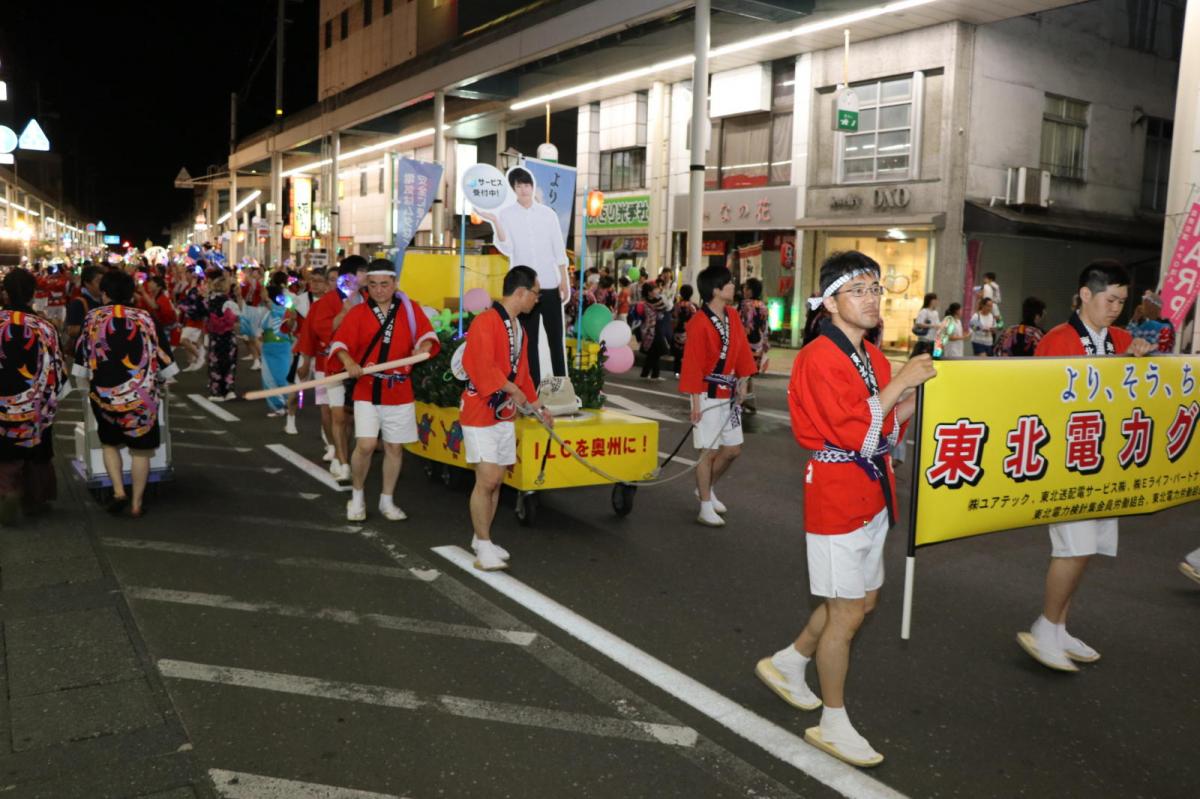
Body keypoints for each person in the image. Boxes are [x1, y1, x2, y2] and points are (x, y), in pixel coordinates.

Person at [756, 251, 935, 768]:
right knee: (847, 612)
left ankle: (790, 662)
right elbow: (855, 432)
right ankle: (832, 721)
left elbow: (886, 425)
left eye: (876, 289)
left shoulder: (872, 357)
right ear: (830, 301)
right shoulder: (817, 356)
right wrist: (901, 385)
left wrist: (916, 395)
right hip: (836, 494)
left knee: (862, 602)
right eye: (858, 289)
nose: (872, 299)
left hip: (872, 490)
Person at [1019, 260, 1153, 673]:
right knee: (1072, 549)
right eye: (1110, 299)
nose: (1116, 308)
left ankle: (1058, 627)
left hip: (1104, 460)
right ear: (1085, 295)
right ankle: (1044, 626)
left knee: (1086, 549)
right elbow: (1041, 403)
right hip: (1068, 460)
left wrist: (1140, 361)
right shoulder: (1056, 341)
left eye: (1122, 301)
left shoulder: (1123, 338)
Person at [331, 260, 439, 522]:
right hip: (367, 387)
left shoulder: (410, 310)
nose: (379, 290)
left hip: (399, 388)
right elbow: (340, 343)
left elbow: (428, 336)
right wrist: (349, 362)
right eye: (373, 285)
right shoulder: (358, 313)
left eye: (385, 284)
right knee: (366, 445)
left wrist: (422, 349)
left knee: (394, 447)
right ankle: (357, 496)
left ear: (395, 284)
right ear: (367, 285)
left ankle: (386, 500)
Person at [460, 265, 551, 570]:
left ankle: (481, 538)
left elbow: (522, 373)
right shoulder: (485, 322)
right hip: (479, 409)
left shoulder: (517, 327)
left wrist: (538, 406)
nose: (537, 300)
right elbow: (481, 365)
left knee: (497, 481)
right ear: (522, 292)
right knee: (487, 479)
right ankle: (483, 544)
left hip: (504, 413)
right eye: (536, 293)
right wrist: (513, 389)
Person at [73, 270, 177, 518]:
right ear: (132, 293)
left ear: (105, 293)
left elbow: (81, 360)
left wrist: (83, 383)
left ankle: (119, 492)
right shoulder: (146, 318)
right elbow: (166, 361)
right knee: (141, 451)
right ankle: (136, 504)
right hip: (141, 399)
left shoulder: (93, 318)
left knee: (110, 444)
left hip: (104, 396)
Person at [679, 264, 756, 528]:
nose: (734, 286)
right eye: (729, 283)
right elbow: (692, 363)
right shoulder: (698, 323)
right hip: (707, 394)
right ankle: (704, 505)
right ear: (715, 290)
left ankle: (706, 489)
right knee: (707, 451)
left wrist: (744, 380)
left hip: (729, 393)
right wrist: (695, 403)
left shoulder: (732, 316)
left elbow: (742, 350)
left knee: (733, 450)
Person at [477, 167, 570, 383]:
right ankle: (533, 389)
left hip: (549, 285)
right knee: (529, 342)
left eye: (526, 185)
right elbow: (507, 246)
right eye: (519, 186)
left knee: (556, 340)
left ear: (532, 186)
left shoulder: (548, 214)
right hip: (524, 291)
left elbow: (558, 249)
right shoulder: (507, 215)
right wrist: (495, 221)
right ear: (513, 189)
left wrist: (564, 281)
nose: (524, 189)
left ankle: (562, 388)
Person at [0, 269, 68, 524]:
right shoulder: (44, 326)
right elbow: (57, 365)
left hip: (2, 400)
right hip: (36, 400)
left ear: (5, 293)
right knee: (39, 449)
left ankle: (7, 490)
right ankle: (34, 501)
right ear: (33, 294)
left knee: (4, 450)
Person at [297, 256, 365, 481]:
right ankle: (342, 460)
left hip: (361, 367)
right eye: (363, 273)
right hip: (332, 364)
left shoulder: (368, 298)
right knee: (335, 414)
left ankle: (344, 453)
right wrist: (305, 360)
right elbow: (316, 331)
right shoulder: (325, 303)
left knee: (350, 417)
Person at [260, 276, 301, 433]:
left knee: (283, 377)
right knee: (268, 378)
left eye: (266, 295)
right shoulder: (266, 312)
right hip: (268, 348)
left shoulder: (282, 311)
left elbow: (273, 306)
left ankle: (287, 403)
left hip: (283, 347)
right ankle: (277, 406)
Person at [204, 269, 241, 401]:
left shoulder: (209, 300)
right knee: (229, 362)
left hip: (215, 336)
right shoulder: (229, 302)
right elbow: (237, 317)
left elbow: (205, 315)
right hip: (228, 335)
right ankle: (229, 390)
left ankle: (217, 392)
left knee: (215, 363)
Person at [740, 278, 770, 413]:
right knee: (750, 373)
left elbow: (742, 325)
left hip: (745, 342)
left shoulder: (745, 305)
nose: (743, 290)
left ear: (750, 291)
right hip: (758, 343)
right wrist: (765, 343)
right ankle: (750, 400)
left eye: (745, 288)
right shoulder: (763, 306)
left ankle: (741, 400)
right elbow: (765, 327)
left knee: (742, 373)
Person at [65, 264, 104, 358]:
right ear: (87, 283)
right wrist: (99, 327)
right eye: (98, 281)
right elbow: (71, 330)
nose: (103, 285)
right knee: (80, 373)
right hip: (82, 355)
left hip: (99, 354)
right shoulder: (79, 302)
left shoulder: (104, 301)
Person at [637, 283, 672, 381]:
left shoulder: (647, 301)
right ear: (649, 292)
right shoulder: (655, 301)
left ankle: (647, 373)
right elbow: (666, 308)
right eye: (655, 289)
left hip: (648, 329)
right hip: (653, 329)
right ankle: (654, 375)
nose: (657, 291)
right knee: (656, 351)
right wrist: (665, 296)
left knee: (653, 352)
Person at [671, 285, 697, 378]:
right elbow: (695, 319)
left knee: (678, 353)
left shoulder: (677, 305)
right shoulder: (693, 306)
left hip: (678, 330)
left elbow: (674, 317)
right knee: (687, 353)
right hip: (688, 332)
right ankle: (686, 371)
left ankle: (677, 372)